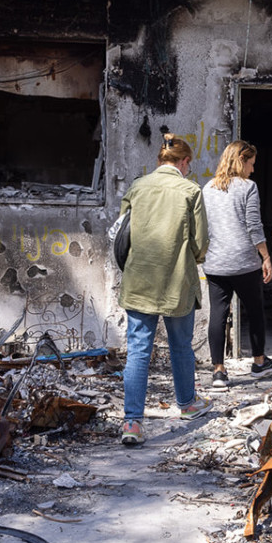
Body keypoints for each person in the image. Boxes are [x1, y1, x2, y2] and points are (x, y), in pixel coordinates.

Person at [116, 133, 212, 446]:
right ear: (184, 162)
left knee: (138, 349)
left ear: (159, 161)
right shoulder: (190, 190)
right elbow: (200, 243)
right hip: (177, 281)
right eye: (189, 164)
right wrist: (190, 256)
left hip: (140, 279)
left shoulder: (138, 186)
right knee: (181, 345)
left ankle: (132, 423)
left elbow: (122, 233)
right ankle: (187, 405)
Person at [202, 140, 272, 389]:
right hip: (244, 262)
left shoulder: (208, 188)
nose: (253, 169)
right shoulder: (248, 187)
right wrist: (266, 257)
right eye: (251, 163)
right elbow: (254, 226)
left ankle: (218, 372)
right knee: (256, 311)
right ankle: (259, 362)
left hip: (216, 262)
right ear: (241, 161)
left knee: (218, 314)